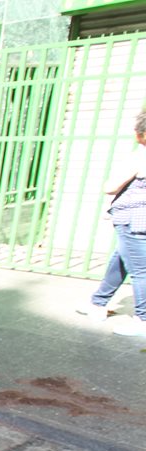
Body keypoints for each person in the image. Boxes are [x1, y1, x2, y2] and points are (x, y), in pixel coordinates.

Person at [78, 109, 146, 338]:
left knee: (141, 271)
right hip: (138, 221)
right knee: (120, 260)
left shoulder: (139, 157)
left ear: (139, 134)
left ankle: (143, 319)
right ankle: (98, 303)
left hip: (134, 221)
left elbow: (110, 186)